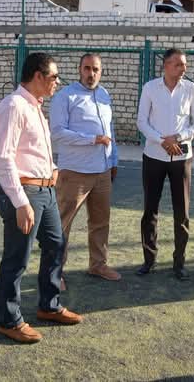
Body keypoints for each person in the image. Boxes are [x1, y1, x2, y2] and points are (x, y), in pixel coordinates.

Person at [0, 52, 83, 345]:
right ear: (38, 76)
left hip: (45, 191)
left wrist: (51, 169)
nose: (57, 82)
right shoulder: (13, 106)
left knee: (56, 245)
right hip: (25, 193)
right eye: (54, 76)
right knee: (17, 258)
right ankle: (9, 321)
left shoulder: (35, 107)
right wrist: (20, 203)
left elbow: (33, 150)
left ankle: (49, 306)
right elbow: (4, 159)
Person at [50, 53, 121, 283]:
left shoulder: (104, 94)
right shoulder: (65, 96)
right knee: (62, 224)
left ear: (101, 71)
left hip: (102, 171)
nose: (91, 74)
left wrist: (113, 160)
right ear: (79, 70)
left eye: (96, 69)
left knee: (100, 222)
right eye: (87, 68)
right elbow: (57, 133)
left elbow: (109, 130)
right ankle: (54, 274)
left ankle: (98, 265)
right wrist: (92, 139)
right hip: (75, 172)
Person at [136, 48, 194, 280]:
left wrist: (178, 138)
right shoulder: (150, 88)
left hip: (181, 159)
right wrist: (162, 141)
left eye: (184, 64)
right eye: (178, 64)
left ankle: (179, 263)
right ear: (165, 65)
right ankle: (149, 260)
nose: (183, 68)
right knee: (150, 210)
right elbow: (142, 122)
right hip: (153, 156)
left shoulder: (191, 89)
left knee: (181, 212)